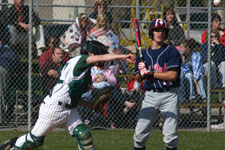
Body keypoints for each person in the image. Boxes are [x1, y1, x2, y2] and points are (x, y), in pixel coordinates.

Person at [0, 40, 135, 150]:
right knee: (34, 141)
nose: (102, 58)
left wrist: (91, 105)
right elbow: (101, 57)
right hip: (54, 109)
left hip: (69, 109)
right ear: (90, 53)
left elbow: (73, 97)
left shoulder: (85, 73)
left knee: (84, 135)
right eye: (99, 54)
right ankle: (12, 145)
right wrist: (123, 56)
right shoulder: (80, 60)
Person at [133, 19, 181, 150]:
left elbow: (172, 75)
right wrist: (142, 72)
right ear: (151, 32)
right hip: (150, 96)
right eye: (156, 30)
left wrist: (151, 74)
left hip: (169, 95)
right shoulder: (143, 54)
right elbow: (137, 78)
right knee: (139, 135)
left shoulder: (172, 51)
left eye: (162, 30)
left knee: (170, 137)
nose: (160, 33)